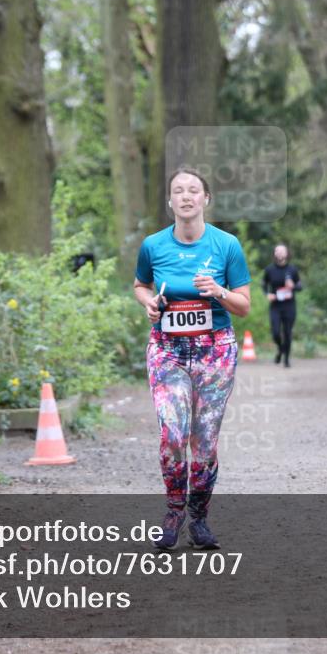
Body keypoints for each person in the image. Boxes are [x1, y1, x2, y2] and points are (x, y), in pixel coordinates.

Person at [133, 167, 252, 550]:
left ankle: (199, 518)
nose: (186, 196)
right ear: (170, 201)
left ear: (205, 199)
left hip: (214, 349)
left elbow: (245, 306)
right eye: (178, 191)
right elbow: (140, 285)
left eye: (193, 190)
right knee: (172, 433)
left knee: (204, 441)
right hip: (167, 349)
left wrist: (218, 290)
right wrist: (149, 304)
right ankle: (173, 510)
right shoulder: (153, 245)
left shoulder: (226, 245)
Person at [263, 244, 302, 368]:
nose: (279, 253)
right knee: (275, 332)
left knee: (287, 332)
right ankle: (280, 349)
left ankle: (286, 359)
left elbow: (300, 286)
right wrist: (267, 294)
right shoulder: (269, 270)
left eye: (282, 251)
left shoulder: (292, 269)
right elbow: (264, 284)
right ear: (274, 254)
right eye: (277, 251)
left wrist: (293, 287)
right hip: (275, 305)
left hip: (289, 305)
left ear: (287, 254)